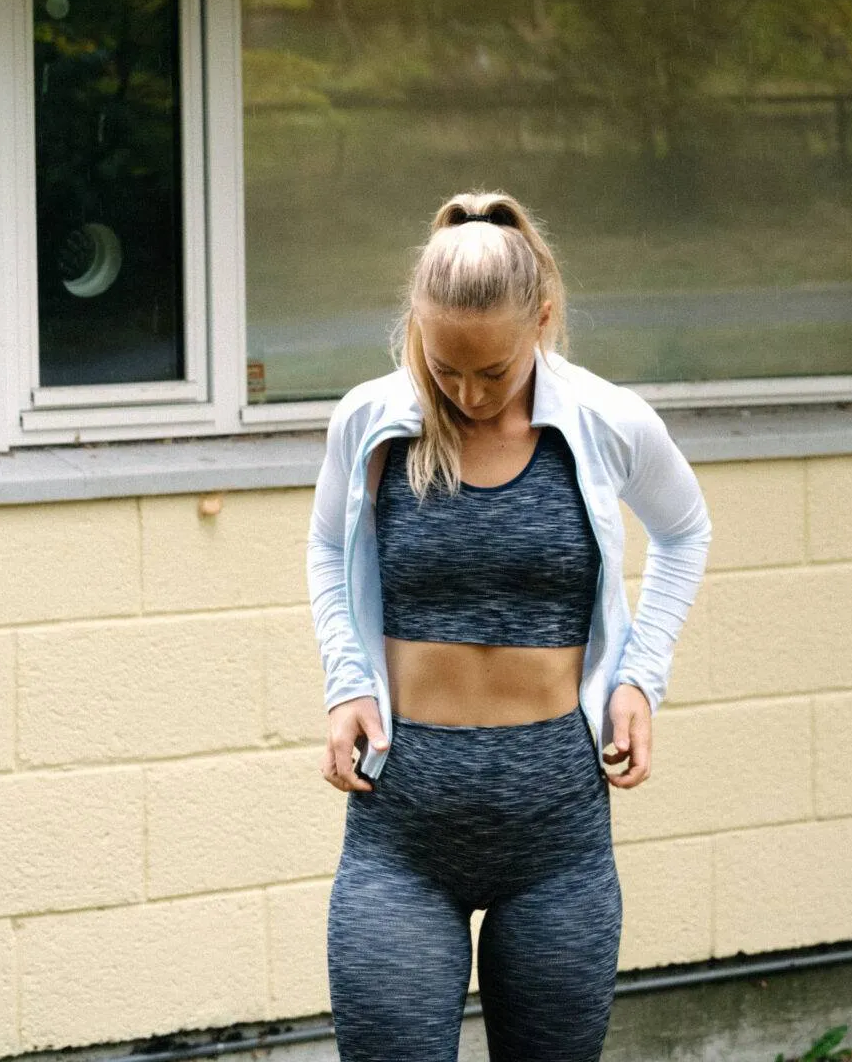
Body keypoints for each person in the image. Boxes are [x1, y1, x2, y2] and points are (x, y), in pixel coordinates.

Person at [307, 190, 713, 1062]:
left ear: (543, 319)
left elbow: (685, 531)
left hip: (557, 837)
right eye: (444, 367)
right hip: (400, 831)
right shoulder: (371, 421)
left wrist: (640, 677)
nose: (467, 393)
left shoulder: (607, 422)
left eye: (492, 372)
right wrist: (346, 682)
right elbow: (327, 549)